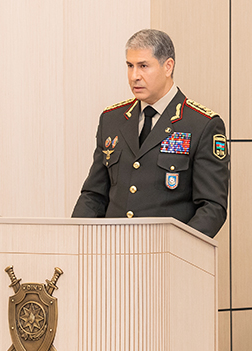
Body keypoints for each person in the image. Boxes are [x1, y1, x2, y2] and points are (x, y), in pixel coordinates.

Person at [71, 29, 229, 238]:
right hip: (113, 249)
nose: (134, 76)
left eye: (143, 66)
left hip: (167, 252)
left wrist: (178, 248)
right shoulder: (112, 119)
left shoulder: (202, 124)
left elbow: (212, 207)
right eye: (130, 66)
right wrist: (73, 241)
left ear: (168, 66)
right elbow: (94, 195)